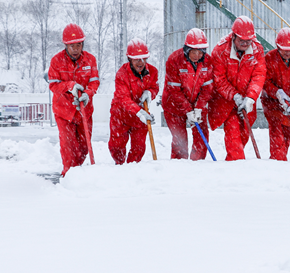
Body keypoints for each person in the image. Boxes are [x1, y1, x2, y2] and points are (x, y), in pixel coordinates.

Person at [208, 16, 266, 161]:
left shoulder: (257, 50)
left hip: (247, 103)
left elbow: (259, 75)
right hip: (226, 103)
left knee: (243, 136)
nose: (246, 44)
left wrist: (250, 98)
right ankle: (236, 169)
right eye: (242, 41)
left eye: (249, 40)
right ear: (233, 36)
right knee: (233, 136)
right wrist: (234, 96)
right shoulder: (220, 51)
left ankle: (232, 164)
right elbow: (219, 79)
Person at [48, 23, 100, 176]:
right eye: (72, 46)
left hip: (85, 110)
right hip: (64, 111)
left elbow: (94, 81)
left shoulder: (90, 60)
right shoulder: (56, 61)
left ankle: (77, 172)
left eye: (78, 45)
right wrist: (70, 86)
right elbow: (53, 85)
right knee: (68, 145)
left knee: (84, 146)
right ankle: (69, 174)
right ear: (66, 45)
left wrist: (88, 93)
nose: (76, 49)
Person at [162, 28, 214, 160]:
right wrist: (187, 110)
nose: (197, 55)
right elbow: (174, 90)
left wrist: (198, 108)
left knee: (201, 137)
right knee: (180, 142)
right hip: (174, 106)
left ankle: (198, 164)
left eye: (200, 51)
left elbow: (207, 88)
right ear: (186, 49)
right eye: (194, 51)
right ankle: (180, 168)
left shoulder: (208, 61)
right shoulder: (174, 60)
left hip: (197, 106)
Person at [108, 39, 159, 165]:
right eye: (136, 59)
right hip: (121, 114)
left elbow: (154, 87)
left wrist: (150, 93)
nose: (140, 62)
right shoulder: (121, 74)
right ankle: (119, 168)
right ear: (130, 59)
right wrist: (139, 112)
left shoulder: (153, 72)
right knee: (116, 146)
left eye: (143, 58)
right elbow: (123, 98)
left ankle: (133, 169)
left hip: (140, 117)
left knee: (139, 148)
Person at [260, 28, 290, 161]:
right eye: (284, 49)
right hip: (272, 103)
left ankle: (280, 161)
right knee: (277, 133)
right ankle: (278, 161)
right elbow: (265, 81)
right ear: (277, 47)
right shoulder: (269, 58)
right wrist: (277, 92)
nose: (287, 52)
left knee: (286, 135)